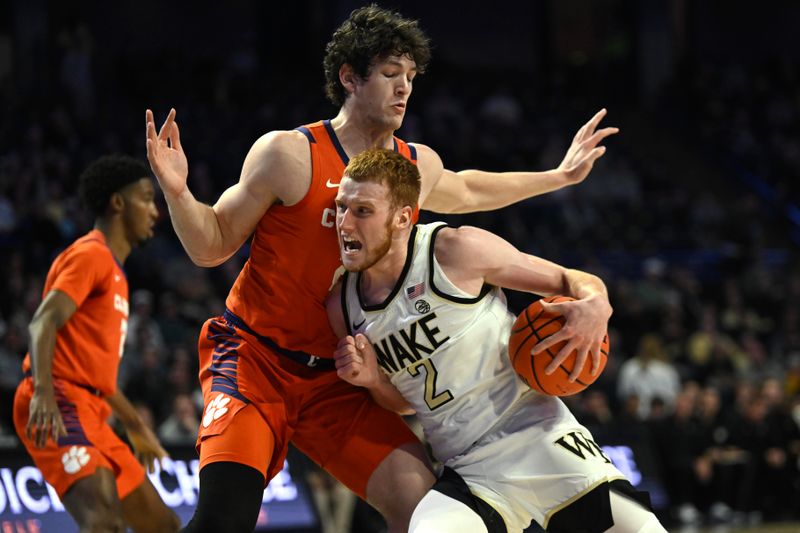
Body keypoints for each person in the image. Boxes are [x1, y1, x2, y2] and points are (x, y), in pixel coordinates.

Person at [145, 6, 617, 532]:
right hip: (257, 359)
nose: (404, 89)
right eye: (391, 74)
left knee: (425, 509)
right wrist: (178, 191)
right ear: (349, 77)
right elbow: (211, 245)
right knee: (223, 518)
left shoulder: (410, 169)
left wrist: (557, 176)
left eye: (411, 77)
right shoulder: (289, 154)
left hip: (339, 377)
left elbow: (469, 189)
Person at [327, 148, 667, 533]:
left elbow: (571, 280)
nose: (343, 223)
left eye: (362, 211)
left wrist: (598, 303)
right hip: (470, 468)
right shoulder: (343, 307)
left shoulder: (455, 251)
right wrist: (373, 380)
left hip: (541, 435)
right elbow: (406, 402)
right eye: (341, 207)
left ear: (403, 216)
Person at [12, 155, 180, 533]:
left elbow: (97, 375)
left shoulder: (116, 275)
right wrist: (42, 392)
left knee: (164, 525)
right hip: (58, 399)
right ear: (117, 203)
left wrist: (136, 424)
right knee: (103, 522)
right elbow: (42, 322)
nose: (155, 211)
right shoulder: (91, 254)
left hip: (93, 408)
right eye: (146, 199)